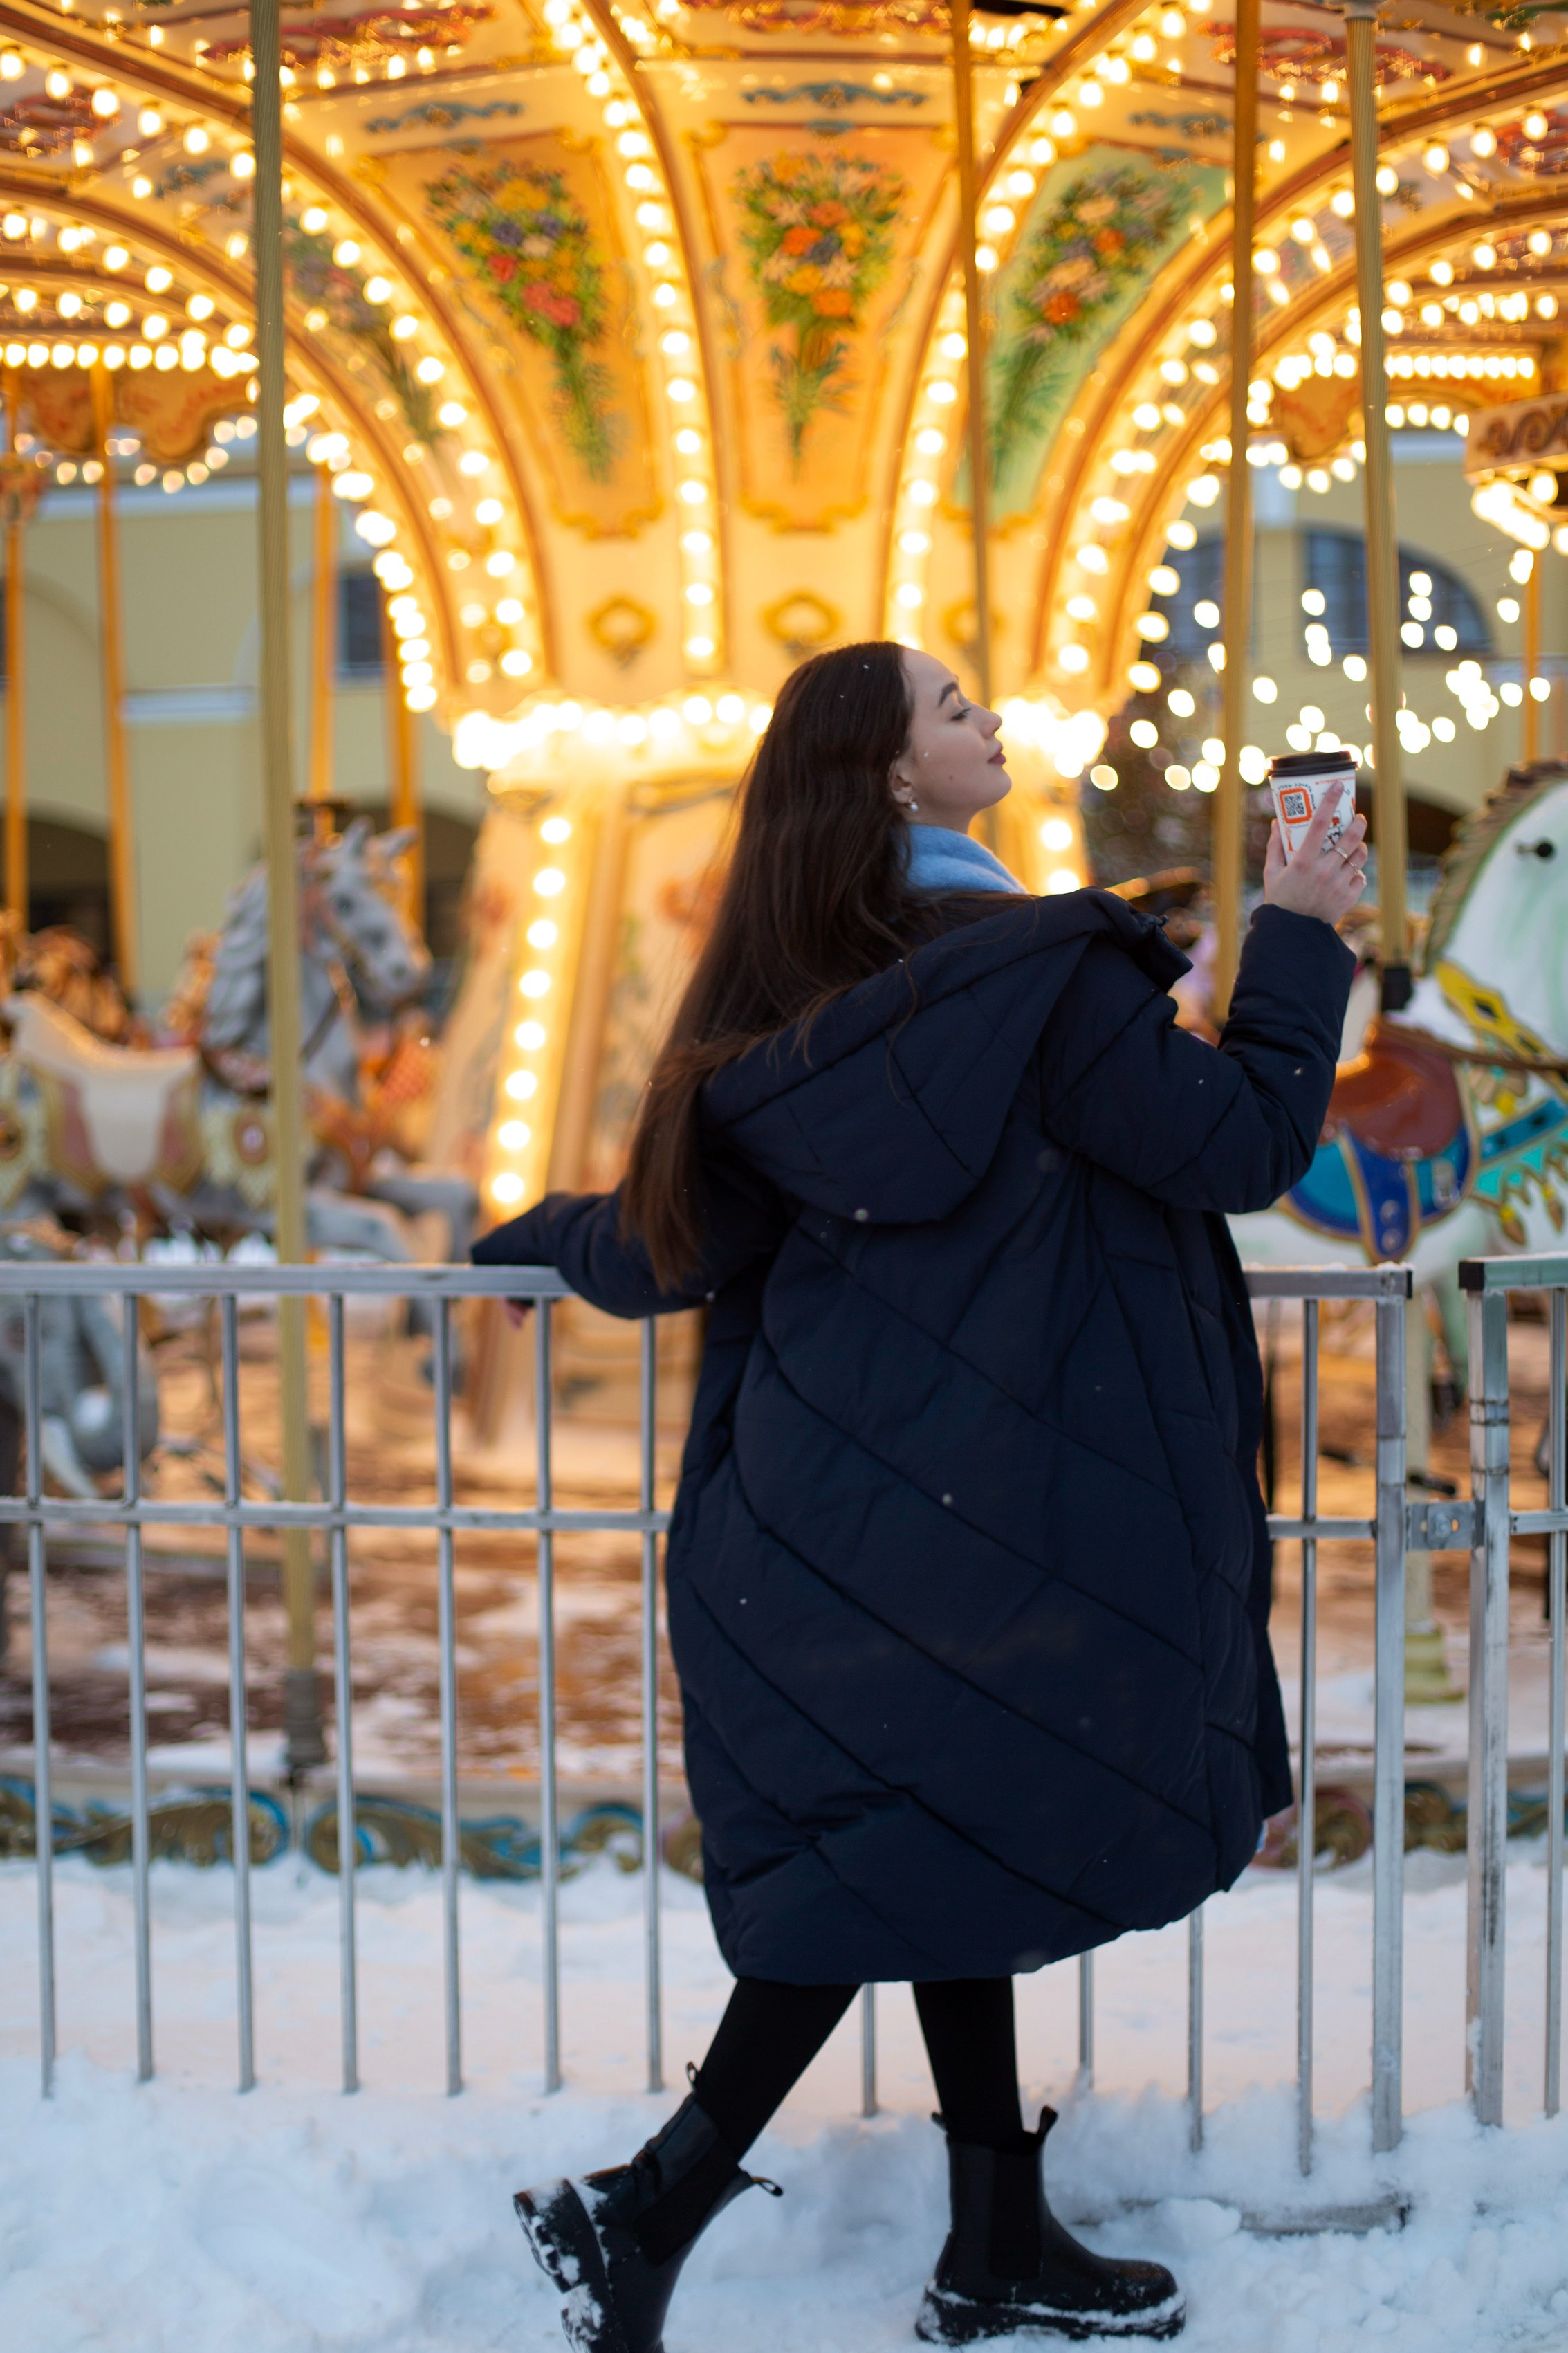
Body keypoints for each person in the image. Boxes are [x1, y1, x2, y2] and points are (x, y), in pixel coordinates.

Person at [475, 641, 1365, 2350]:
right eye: (953, 709)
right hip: (1020, 1513)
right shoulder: (1038, 978)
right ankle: (645, 2208)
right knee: (922, 1849)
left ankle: (992, 2241)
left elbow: (678, 1243)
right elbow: (1245, 1139)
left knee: (937, 1838)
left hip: (839, 1524)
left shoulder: (788, 1005)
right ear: (894, 776)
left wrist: (530, 1238)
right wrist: (1300, 920)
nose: (990, 721)